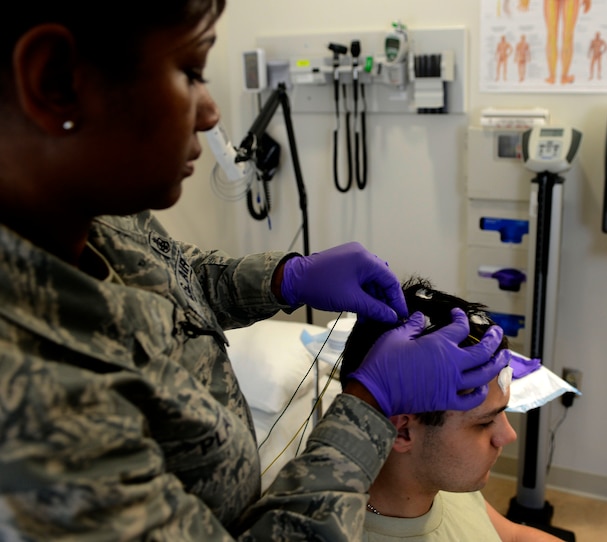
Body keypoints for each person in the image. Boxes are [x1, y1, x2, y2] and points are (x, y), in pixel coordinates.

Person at [0, 2, 508, 540]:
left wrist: (283, 278)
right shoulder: (32, 415)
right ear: (54, 79)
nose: (212, 112)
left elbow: (175, 281)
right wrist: (367, 406)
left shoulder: (95, 212)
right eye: (192, 71)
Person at [340, 277, 565, 541]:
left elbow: (513, 535)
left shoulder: (442, 480)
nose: (508, 435)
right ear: (402, 433)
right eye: (483, 423)